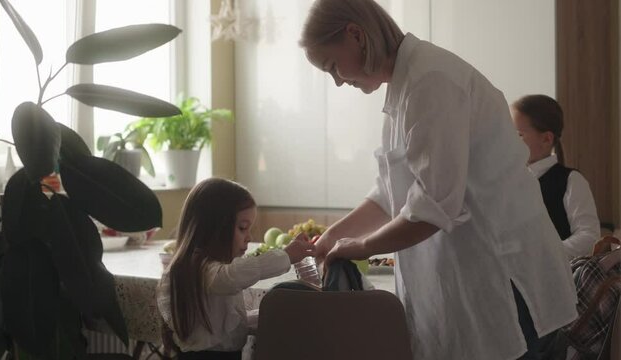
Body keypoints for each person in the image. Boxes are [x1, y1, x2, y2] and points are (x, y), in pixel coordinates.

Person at [299, 0, 578, 359]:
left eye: (333, 65)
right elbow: (390, 192)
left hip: (505, 277)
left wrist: (360, 246)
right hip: (473, 280)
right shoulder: (403, 87)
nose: (338, 81)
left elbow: (432, 205)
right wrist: (335, 236)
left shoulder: (431, 79)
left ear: (356, 35)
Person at [156, 178, 315, 360]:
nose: (249, 237)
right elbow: (233, 277)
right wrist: (286, 255)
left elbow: (225, 326)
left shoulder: (207, 271)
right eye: (242, 228)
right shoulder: (202, 269)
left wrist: (267, 316)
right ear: (213, 228)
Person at [511, 94, 600, 259]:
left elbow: (589, 237)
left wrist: (542, 256)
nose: (510, 141)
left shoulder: (571, 181)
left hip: (553, 279)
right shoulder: (508, 182)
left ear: (546, 139)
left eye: (519, 135)